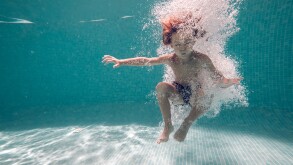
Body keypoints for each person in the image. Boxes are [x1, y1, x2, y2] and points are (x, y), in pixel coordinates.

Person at [102, 14, 241, 144]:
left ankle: (187, 123)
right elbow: (146, 60)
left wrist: (227, 82)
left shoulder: (202, 59)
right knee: (161, 87)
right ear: (171, 45)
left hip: (196, 94)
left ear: (193, 41)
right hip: (179, 92)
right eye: (178, 44)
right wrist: (121, 61)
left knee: (207, 95)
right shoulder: (170, 59)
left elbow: (217, 77)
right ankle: (168, 126)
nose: (182, 47)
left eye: (187, 42)